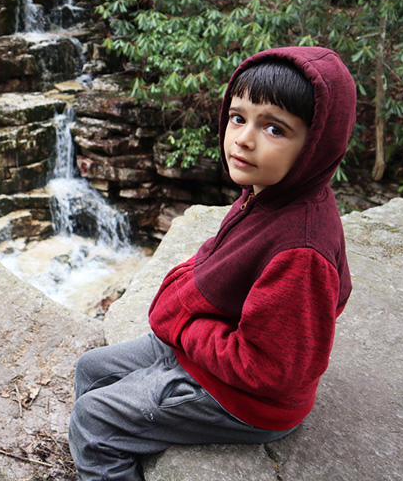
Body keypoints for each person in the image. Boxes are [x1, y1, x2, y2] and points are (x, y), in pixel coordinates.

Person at [68, 46, 357, 481]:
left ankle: (101, 448)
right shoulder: (267, 194)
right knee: (91, 367)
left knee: (93, 418)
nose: (243, 138)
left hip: (244, 398)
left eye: (274, 128)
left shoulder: (302, 249)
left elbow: (271, 370)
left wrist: (184, 326)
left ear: (315, 145)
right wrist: (192, 283)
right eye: (239, 117)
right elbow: (230, 256)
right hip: (208, 345)